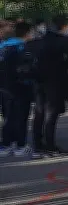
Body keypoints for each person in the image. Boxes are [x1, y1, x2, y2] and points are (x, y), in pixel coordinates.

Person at [30, 15, 68, 158]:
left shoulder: (39, 41)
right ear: (64, 26)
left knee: (39, 113)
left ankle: (37, 145)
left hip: (39, 81)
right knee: (51, 114)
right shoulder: (63, 42)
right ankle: (50, 145)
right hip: (55, 81)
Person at [0, 22, 37, 157]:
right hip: (21, 87)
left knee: (8, 117)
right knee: (21, 117)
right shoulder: (23, 48)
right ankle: (20, 145)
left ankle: (6, 144)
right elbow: (28, 69)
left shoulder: (3, 47)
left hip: (4, 87)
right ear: (27, 32)